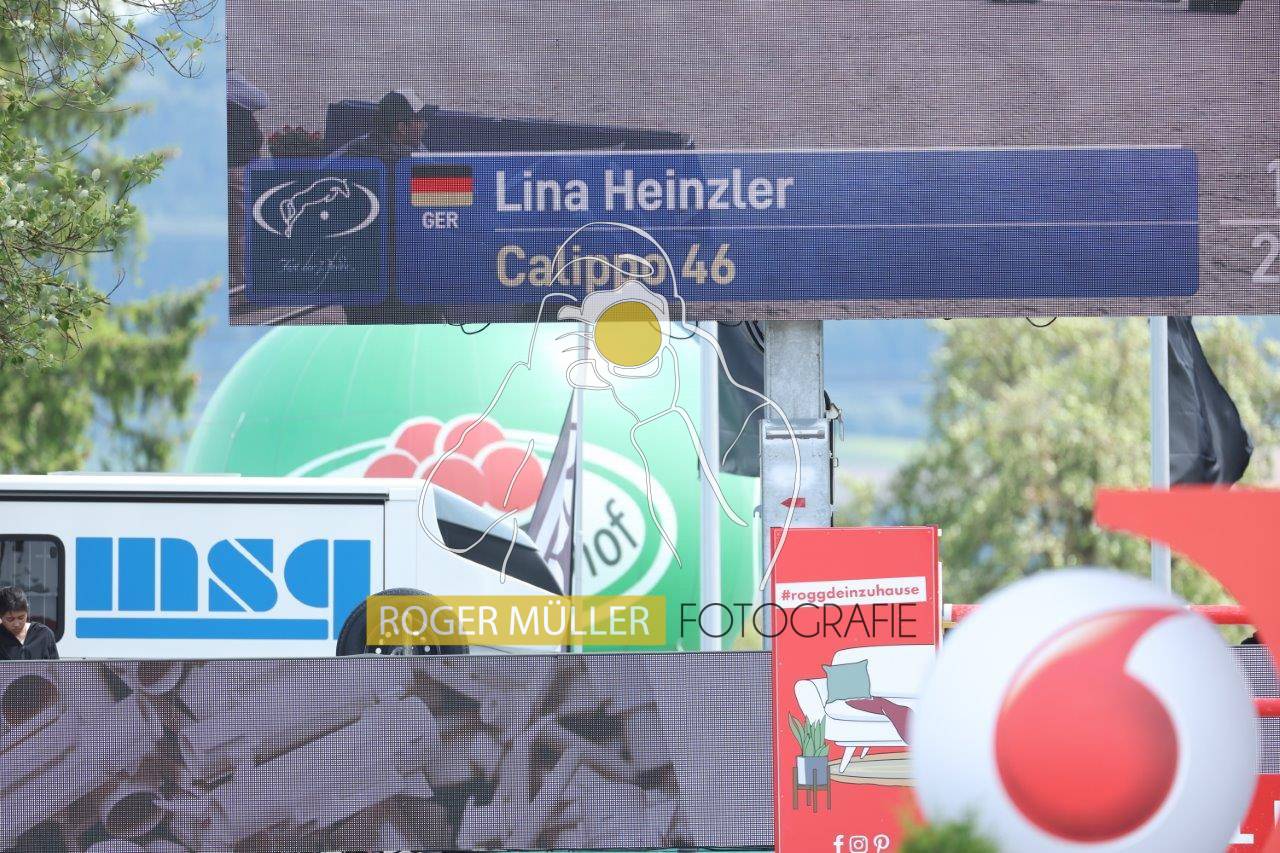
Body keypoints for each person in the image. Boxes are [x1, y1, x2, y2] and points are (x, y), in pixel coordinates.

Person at [327, 88, 433, 161]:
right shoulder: (358, 153)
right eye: (420, 120)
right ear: (402, 128)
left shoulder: (417, 147)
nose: (425, 125)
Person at [0, 586, 59, 660]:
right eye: (10, 619)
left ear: (27, 611)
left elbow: (54, 666)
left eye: (21, 617)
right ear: (1, 616)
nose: (16, 624)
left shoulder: (44, 634)